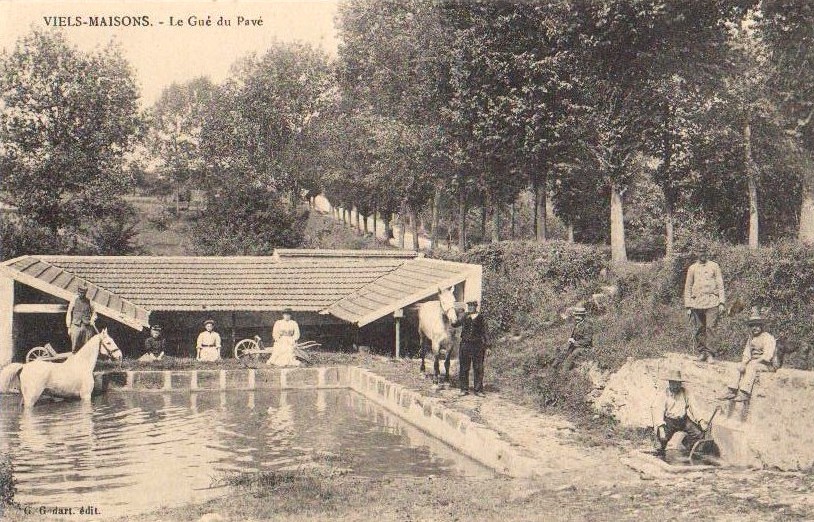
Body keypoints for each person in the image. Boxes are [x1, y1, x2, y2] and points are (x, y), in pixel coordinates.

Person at [719, 312, 776, 402]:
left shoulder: (767, 337)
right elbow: (747, 353)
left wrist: (755, 362)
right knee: (738, 366)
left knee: (751, 366)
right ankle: (732, 391)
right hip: (754, 363)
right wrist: (743, 363)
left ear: (761, 326)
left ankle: (744, 393)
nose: (754, 328)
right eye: (752, 326)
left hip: (765, 364)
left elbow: (767, 355)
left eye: (757, 325)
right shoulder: (751, 338)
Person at [683, 245, 726, 362]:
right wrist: (688, 305)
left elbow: (720, 285)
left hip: (712, 302)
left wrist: (721, 302)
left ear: (707, 252)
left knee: (710, 328)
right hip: (697, 303)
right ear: (696, 253)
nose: (702, 254)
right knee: (699, 329)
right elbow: (688, 287)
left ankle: (710, 354)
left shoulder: (714, 266)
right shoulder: (692, 268)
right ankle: (702, 352)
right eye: (700, 252)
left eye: (704, 251)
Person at [653, 370, 704, 457]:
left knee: (698, 434)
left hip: (683, 420)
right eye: (673, 383)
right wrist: (661, 428)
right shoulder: (664, 394)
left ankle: (687, 449)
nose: (676, 386)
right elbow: (658, 410)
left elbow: (694, 407)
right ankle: (660, 453)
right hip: (670, 421)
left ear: (680, 384)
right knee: (662, 438)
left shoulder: (685, 392)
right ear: (669, 383)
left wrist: (701, 420)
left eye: (678, 383)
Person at [452, 300, 487, 396]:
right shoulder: (464, 316)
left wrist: (488, 346)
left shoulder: (480, 317)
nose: (471, 308)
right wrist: (452, 316)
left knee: (478, 368)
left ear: (476, 307)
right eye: (469, 306)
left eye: (472, 306)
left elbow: (485, 332)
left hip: (477, 346)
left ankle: (478, 390)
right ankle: (464, 389)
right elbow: (455, 324)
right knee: (464, 367)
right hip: (465, 345)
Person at [556, 307, 593, 372]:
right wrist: (570, 341)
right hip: (576, 345)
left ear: (583, 316)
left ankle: (564, 373)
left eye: (579, 316)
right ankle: (554, 369)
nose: (577, 318)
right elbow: (573, 336)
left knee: (571, 356)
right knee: (563, 352)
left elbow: (587, 341)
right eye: (576, 316)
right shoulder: (577, 325)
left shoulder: (587, 326)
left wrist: (575, 342)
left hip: (585, 347)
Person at [66, 283, 97, 353]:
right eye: (80, 292)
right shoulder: (74, 300)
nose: (81, 294)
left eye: (83, 293)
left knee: (86, 347)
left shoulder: (89, 301)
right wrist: (69, 327)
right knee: (74, 347)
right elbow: (69, 313)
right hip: (75, 326)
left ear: (85, 293)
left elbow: (94, 313)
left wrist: (92, 319)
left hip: (87, 327)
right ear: (78, 292)